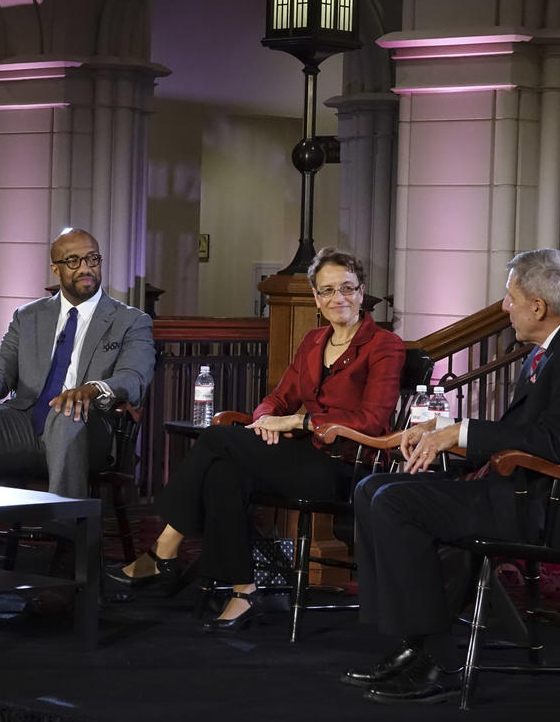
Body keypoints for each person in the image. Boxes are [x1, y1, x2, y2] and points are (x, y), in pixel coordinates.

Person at [345, 248, 560, 705]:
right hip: (521, 490)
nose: (503, 307)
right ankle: (412, 642)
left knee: (395, 502)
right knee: (371, 487)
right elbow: (530, 432)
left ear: (538, 305)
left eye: (509, 297)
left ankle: (438, 657)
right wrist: (441, 430)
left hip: (547, 507)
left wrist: (463, 431)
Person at [105, 248, 406, 632]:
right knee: (223, 475)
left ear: (362, 292)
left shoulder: (384, 346)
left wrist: (299, 420)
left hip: (345, 466)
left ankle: (165, 548)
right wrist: (266, 419)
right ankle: (244, 590)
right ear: (316, 297)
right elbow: (276, 398)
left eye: (347, 288)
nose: (338, 299)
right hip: (299, 457)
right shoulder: (314, 341)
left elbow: (374, 420)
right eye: (328, 290)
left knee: (217, 440)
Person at [0, 228, 155, 499]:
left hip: (87, 429)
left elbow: (133, 377)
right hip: (23, 424)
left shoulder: (130, 320)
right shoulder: (28, 316)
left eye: (92, 259)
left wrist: (92, 389)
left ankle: (66, 530)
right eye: (73, 261)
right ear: (56, 269)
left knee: (66, 411)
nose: (85, 268)